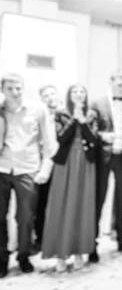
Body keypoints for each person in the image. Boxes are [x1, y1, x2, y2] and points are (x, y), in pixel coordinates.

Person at [0, 74, 57, 278]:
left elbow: (50, 143)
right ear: (3, 90)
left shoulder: (38, 109)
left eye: (19, 88)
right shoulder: (0, 110)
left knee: (25, 218)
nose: (15, 93)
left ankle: (23, 256)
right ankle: (2, 259)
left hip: (28, 170)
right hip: (3, 169)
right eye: (10, 89)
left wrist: (45, 170)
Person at [42, 84, 98, 272]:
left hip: (85, 164)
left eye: (82, 91)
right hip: (65, 165)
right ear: (69, 95)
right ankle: (60, 253)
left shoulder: (91, 114)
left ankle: (79, 252)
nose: (78, 94)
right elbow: (61, 138)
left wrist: (83, 121)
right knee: (61, 204)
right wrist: (74, 119)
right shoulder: (60, 113)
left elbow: (94, 140)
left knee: (82, 205)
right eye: (75, 91)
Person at [90, 71, 122, 261]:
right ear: (110, 83)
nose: (121, 88)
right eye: (118, 85)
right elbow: (91, 130)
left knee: (121, 200)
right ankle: (92, 245)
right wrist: (102, 135)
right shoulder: (97, 103)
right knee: (99, 199)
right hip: (104, 157)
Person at [34, 84, 61, 253]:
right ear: (42, 99)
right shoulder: (39, 116)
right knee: (42, 203)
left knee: (58, 201)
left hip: (61, 165)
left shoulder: (64, 115)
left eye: (52, 94)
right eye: (46, 95)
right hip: (45, 164)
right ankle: (41, 238)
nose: (50, 97)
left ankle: (58, 235)